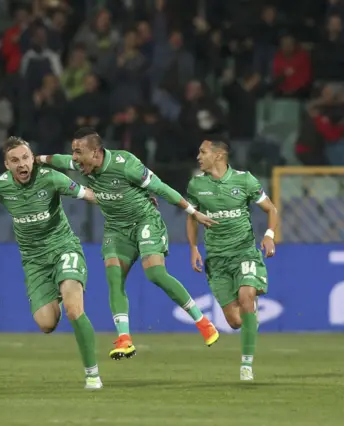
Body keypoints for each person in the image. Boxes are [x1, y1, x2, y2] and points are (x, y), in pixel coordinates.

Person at [37, 128, 220, 361]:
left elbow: (161, 188)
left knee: (155, 274)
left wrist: (193, 212)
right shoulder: (82, 163)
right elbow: (57, 159)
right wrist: (35, 159)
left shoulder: (126, 164)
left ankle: (203, 323)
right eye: (73, 151)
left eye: (78, 152)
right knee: (114, 278)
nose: (74, 158)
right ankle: (124, 339)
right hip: (116, 228)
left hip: (145, 221)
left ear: (95, 153)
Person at [0, 137, 103, 390]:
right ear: (7, 165)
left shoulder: (51, 178)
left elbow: (89, 195)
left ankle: (92, 374)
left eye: (26, 158)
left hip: (63, 249)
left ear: (32, 158)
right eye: (15, 160)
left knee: (73, 309)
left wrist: (125, 200)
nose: (22, 164)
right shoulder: (2, 186)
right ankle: (61, 291)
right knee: (46, 324)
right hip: (34, 261)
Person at [186, 140, 278, 381]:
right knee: (235, 322)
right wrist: (194, 248)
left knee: (247, 296)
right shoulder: (196, 185)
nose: (198, 156)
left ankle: (246, 365)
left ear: (219, 155)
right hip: (216, 258)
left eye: (202, 152)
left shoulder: (244, 180)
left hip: (244, 251)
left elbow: (271, 209)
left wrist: (269, 236)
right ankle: (249, 318)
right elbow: (191, 217)